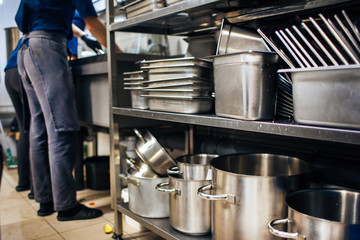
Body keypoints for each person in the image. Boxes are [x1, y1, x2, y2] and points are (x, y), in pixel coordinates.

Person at [15, 0, 120, 221]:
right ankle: (66, 206)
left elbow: (22, 17)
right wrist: (119, 52)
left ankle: (46, 200)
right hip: (47, 47)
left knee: (40, 129)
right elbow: (92, 21)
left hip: (26, 48)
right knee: (61, 127)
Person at [4, 38, 33, 199]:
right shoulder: (72, 23)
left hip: (9, 73)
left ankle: (23, 182)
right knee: (35, 128)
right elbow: (71, 58)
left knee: (25, 129)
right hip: (23, 71)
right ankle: (37, 188)